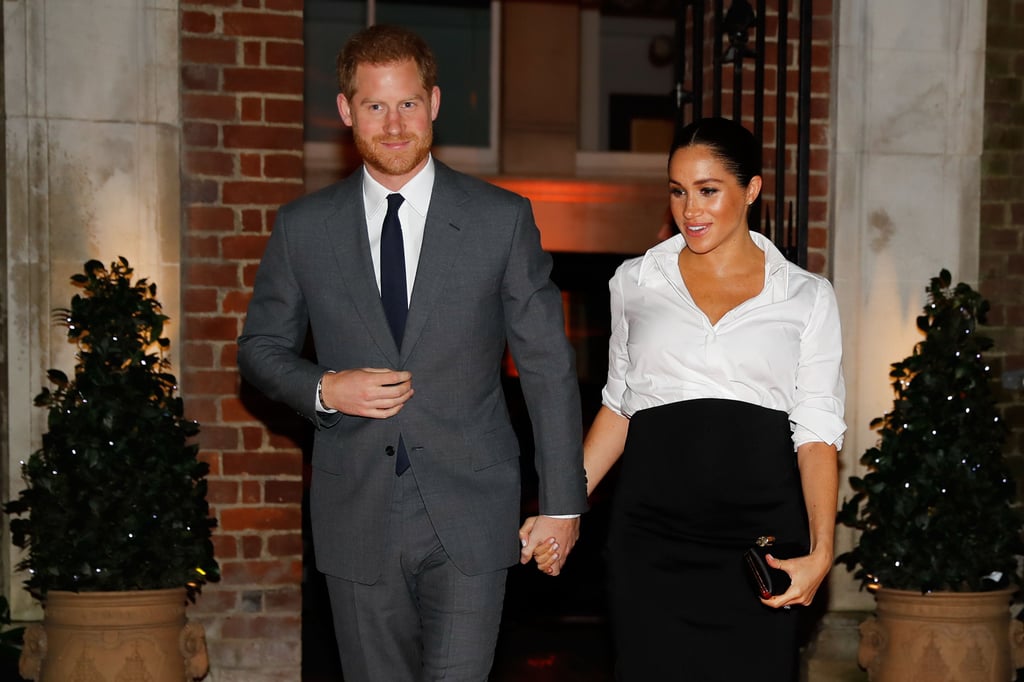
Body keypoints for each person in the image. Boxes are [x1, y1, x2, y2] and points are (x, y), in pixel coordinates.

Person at [237, 24, 587, 682]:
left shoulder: (500, 219)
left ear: (434, 102)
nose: (394, 125)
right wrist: (324, 389)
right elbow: (259, 350)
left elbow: (546, 367)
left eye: (407, 104)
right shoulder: (304, 228)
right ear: (346, 111)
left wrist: (562, 503)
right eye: (375, 105)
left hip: (474, 512)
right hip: (356, 514)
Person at [522, 116, 846, 681]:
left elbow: (817, 431)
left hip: (759, 542)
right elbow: (620, 405)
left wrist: (822, 550)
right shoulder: (634, 282)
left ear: (751, 190)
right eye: (677, 191)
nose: (690, 210)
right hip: (651, 539)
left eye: (708, 191)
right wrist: (561, 505)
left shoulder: (806, 297)